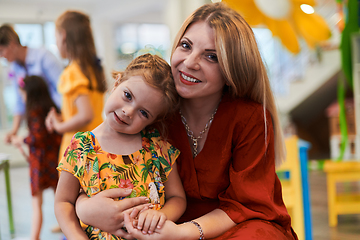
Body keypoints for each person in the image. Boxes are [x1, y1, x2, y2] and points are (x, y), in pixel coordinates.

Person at [75, 2, 298, 240]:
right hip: (161, 226)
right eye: (185, 45)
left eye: (211, 56)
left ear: (232, 70)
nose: (190, 62)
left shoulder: (250, 117)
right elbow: (92, 171)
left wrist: (183, 233)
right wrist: (84, 207)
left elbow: (248, 205)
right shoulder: (151, 110)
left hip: (235, 227)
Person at [54, 53, 186, 240]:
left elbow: (177, 198)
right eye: (127, 95)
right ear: (117, 82)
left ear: (153, 120)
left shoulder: (158, 148)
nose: (128, 111)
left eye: (143, 112)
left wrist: (162, 215)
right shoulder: (80, 146)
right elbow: (63, 202)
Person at [45, 10, 107, 161]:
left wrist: (59, 127)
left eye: (56, 37)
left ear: (63, 35)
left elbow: (85, 115)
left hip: (78, 148)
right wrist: (62, 118)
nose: (56, 43)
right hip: (96, 143)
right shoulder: (93, 69)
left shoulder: (73, 71)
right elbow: (83, 111)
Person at [10, 75, 62, 240]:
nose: (22, 99)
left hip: (39, 164)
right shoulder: (51, 108)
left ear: (30, 94)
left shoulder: (34, 111)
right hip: (55, 160)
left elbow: (37, 137)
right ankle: (65, 227)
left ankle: (34, 237)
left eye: (23, 95)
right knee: (61, 199)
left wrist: (21, 139)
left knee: (36, 203)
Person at [0, 24, 63, 144]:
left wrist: (62, 116)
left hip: (57, 117)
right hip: (38, 122)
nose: (1, 56)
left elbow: (61, 89)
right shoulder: (14, 69)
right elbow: (19, 101)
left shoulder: (44, 57)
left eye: (2, 51)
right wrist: (14, 131)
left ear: (12, 45)